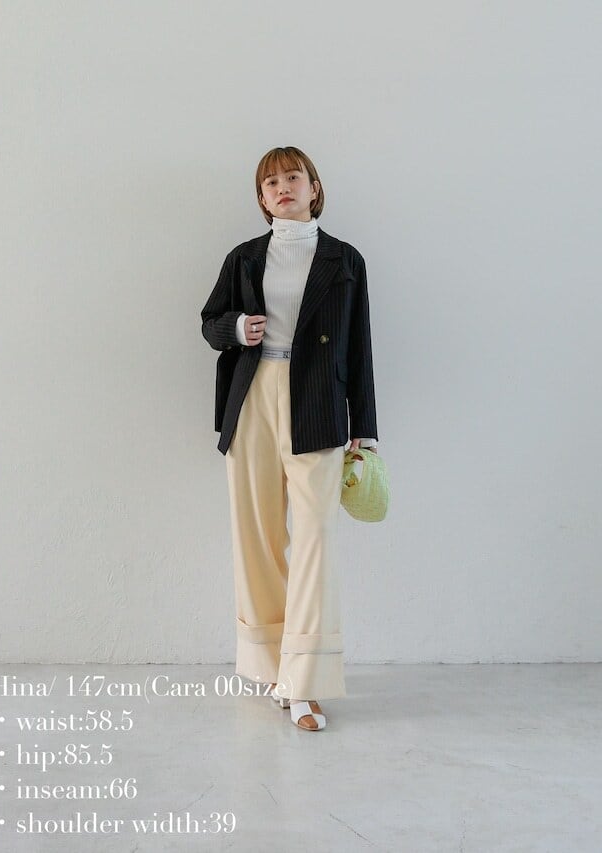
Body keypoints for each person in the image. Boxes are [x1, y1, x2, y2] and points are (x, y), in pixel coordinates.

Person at [201, 146, 378, 731]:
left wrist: (365, 430)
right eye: (271, 181)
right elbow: (210, 323)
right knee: (258, 535)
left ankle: (304, 683)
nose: (283, 187)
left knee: (315, 538)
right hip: (253, 397)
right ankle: (276, 667)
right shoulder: (245, 258)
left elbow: (360, 347)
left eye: (293, 177)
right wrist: (236, 328)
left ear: (314, 187)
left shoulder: (344, 260)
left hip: (318, 403)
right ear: (261, 197)